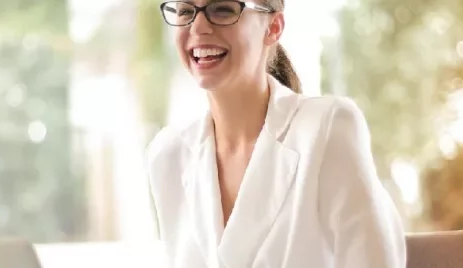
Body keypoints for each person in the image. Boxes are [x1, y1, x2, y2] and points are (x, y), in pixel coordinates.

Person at [144, 1, 407, 267]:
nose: (198, 26)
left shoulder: (328, 128)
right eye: (185, 11)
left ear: (273, 27)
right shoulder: (168, 155)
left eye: (222, 9)